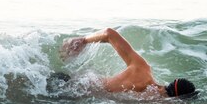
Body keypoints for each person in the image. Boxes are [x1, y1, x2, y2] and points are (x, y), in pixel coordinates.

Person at [61, 28, 197, 99]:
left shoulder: (144, 73)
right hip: (67, 87)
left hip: (75, 90)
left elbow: (109, 34)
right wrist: (83, 40)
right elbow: (109, 33)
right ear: (176, 99)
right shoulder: (143, 75)